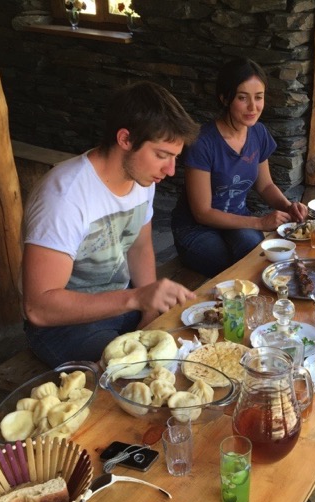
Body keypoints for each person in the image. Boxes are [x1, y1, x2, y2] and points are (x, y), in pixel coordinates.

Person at [22, 81, 200, 367]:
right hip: (63, 325)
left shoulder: (142, 179)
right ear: (125, 139)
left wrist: (149, 310)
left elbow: (140, 247)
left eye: (175, 157)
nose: (170, 170)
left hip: (121, 301)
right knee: (139, 372)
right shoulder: (64, 197)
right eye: (161, 155)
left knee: (193, 340)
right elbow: (39, 307)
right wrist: (136, 298)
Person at [171, 58, 308, 277]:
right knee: (229, 264)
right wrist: (259, 222)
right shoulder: (203, 142)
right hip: (196, 228)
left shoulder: (258, 133)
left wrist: (288, 207)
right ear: (225, 98)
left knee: (254, 254)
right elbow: (202, 213)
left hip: (237, 219)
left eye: (259, 97)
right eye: (242, 98)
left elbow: (265, 185)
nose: (253, 107)